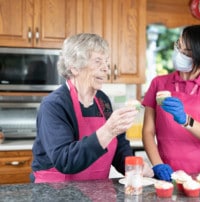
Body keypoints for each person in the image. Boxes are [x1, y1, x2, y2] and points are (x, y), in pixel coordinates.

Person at [31, 33, 153, 183]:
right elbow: (65, 160)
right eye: (98, 61)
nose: (106, 68)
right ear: (75, 68)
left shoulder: (102, 100)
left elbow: (119, 146)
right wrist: (108, 130)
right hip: (56, 191)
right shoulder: (54, 105)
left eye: (106, 62)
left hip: (95, 191)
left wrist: (134, 167)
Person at [142, 25, 200, 181]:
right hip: (166, 172)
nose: (179, 53)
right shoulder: (158, 83)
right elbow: (148, 132)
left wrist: (185, 119)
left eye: (186, 51)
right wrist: (157, 165)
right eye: (179, 45)